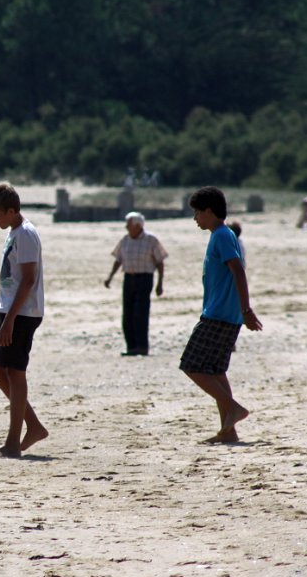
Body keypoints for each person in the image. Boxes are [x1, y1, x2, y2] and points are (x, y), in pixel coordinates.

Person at [180, 186, 262, 444]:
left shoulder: (222, 235)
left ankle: (234, 409)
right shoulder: (221, 235)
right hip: (225, 313)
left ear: (209, 211)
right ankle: (229, 432)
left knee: (191, 365)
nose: (195, 218)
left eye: (197, 213)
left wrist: (246, 309)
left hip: (219, 314)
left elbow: (238, 270)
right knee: (215, 371)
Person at [0, 182, 47, 459]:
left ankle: (12, 443)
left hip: (21, 313)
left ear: (11, 211)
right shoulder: (14, 232)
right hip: (9, 310)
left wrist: (10, 320)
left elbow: (29, 280)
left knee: (14, 372)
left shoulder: (26, 234)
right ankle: (34, 426)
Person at [103, 211, 167, 356]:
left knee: (140, 313)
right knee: (127, 314)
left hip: (145, 279)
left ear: (138, 226)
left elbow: (160, 263)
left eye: (129, 224)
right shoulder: (125, 240)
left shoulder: (151, 240)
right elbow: (118, 260)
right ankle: (131, 347)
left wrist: (160, 283)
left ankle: (142, 347)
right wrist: (110, 277)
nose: (126, 227)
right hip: (128, 279)